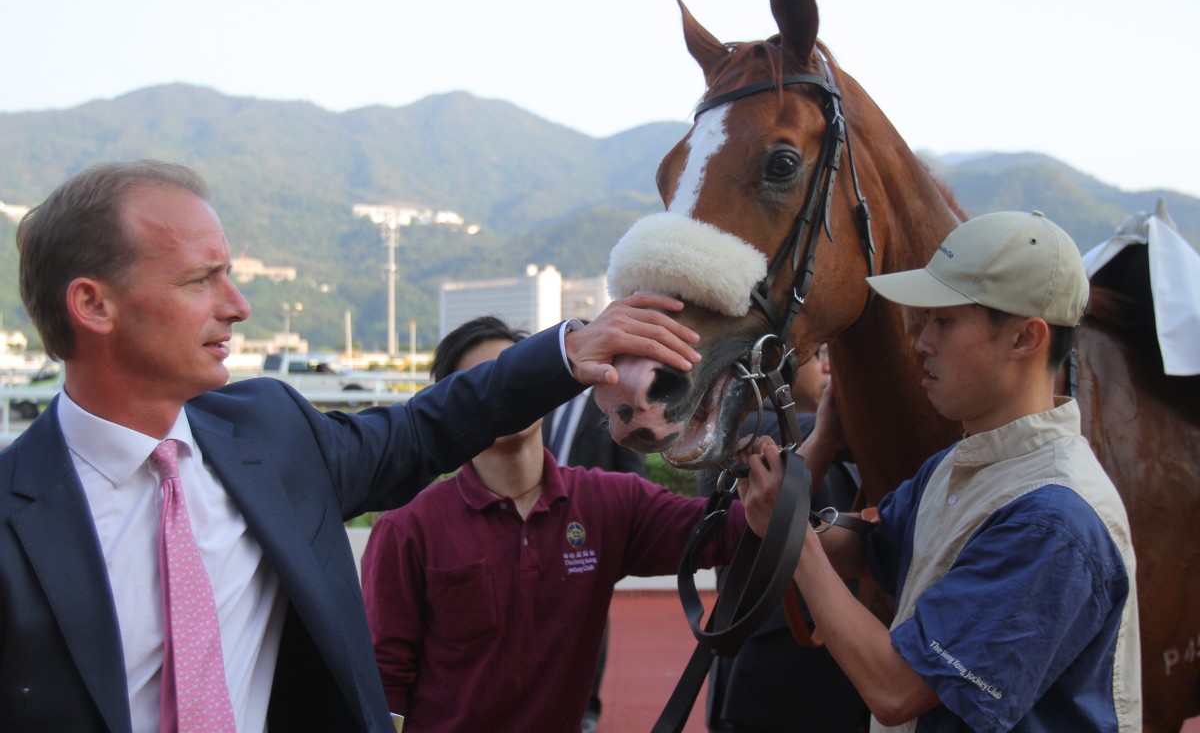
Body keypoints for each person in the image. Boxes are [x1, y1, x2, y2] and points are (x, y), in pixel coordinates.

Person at [0, 160, 702, 732]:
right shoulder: (15, 518)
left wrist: (567, 351)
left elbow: (424, 428)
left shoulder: (269, 433)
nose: (238, 304)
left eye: (230, 273)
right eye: (198, 279)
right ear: (93, 306)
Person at [738, 211, 1140, 731]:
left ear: (1025, 339)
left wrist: (789, 532)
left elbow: (896, 688)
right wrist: (786, 493)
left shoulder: (1052, 517)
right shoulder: (959, 465)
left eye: (944, 322)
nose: (922, 342)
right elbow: (866, 547)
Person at [360, 316, 747, 733]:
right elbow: (383, 679)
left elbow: (734, 530)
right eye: (483, 383)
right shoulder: (408, 529)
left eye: (513, 375)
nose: (504, 394)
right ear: (452, 408)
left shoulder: (608, 504)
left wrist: (805, 442)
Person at [700, 345, 868, 733]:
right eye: (818, 354)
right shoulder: (743, 425)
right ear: (775, 364)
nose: (830, 365)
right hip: (770, 677)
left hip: (833, 671)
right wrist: (829, 431)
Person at [542, 362, 645, 733]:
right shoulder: (547, 403)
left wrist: (621, 528)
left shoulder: (615, 408)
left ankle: (587, 708)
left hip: (585, 530)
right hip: (538, 522)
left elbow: (632, 474)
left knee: (588, 616)